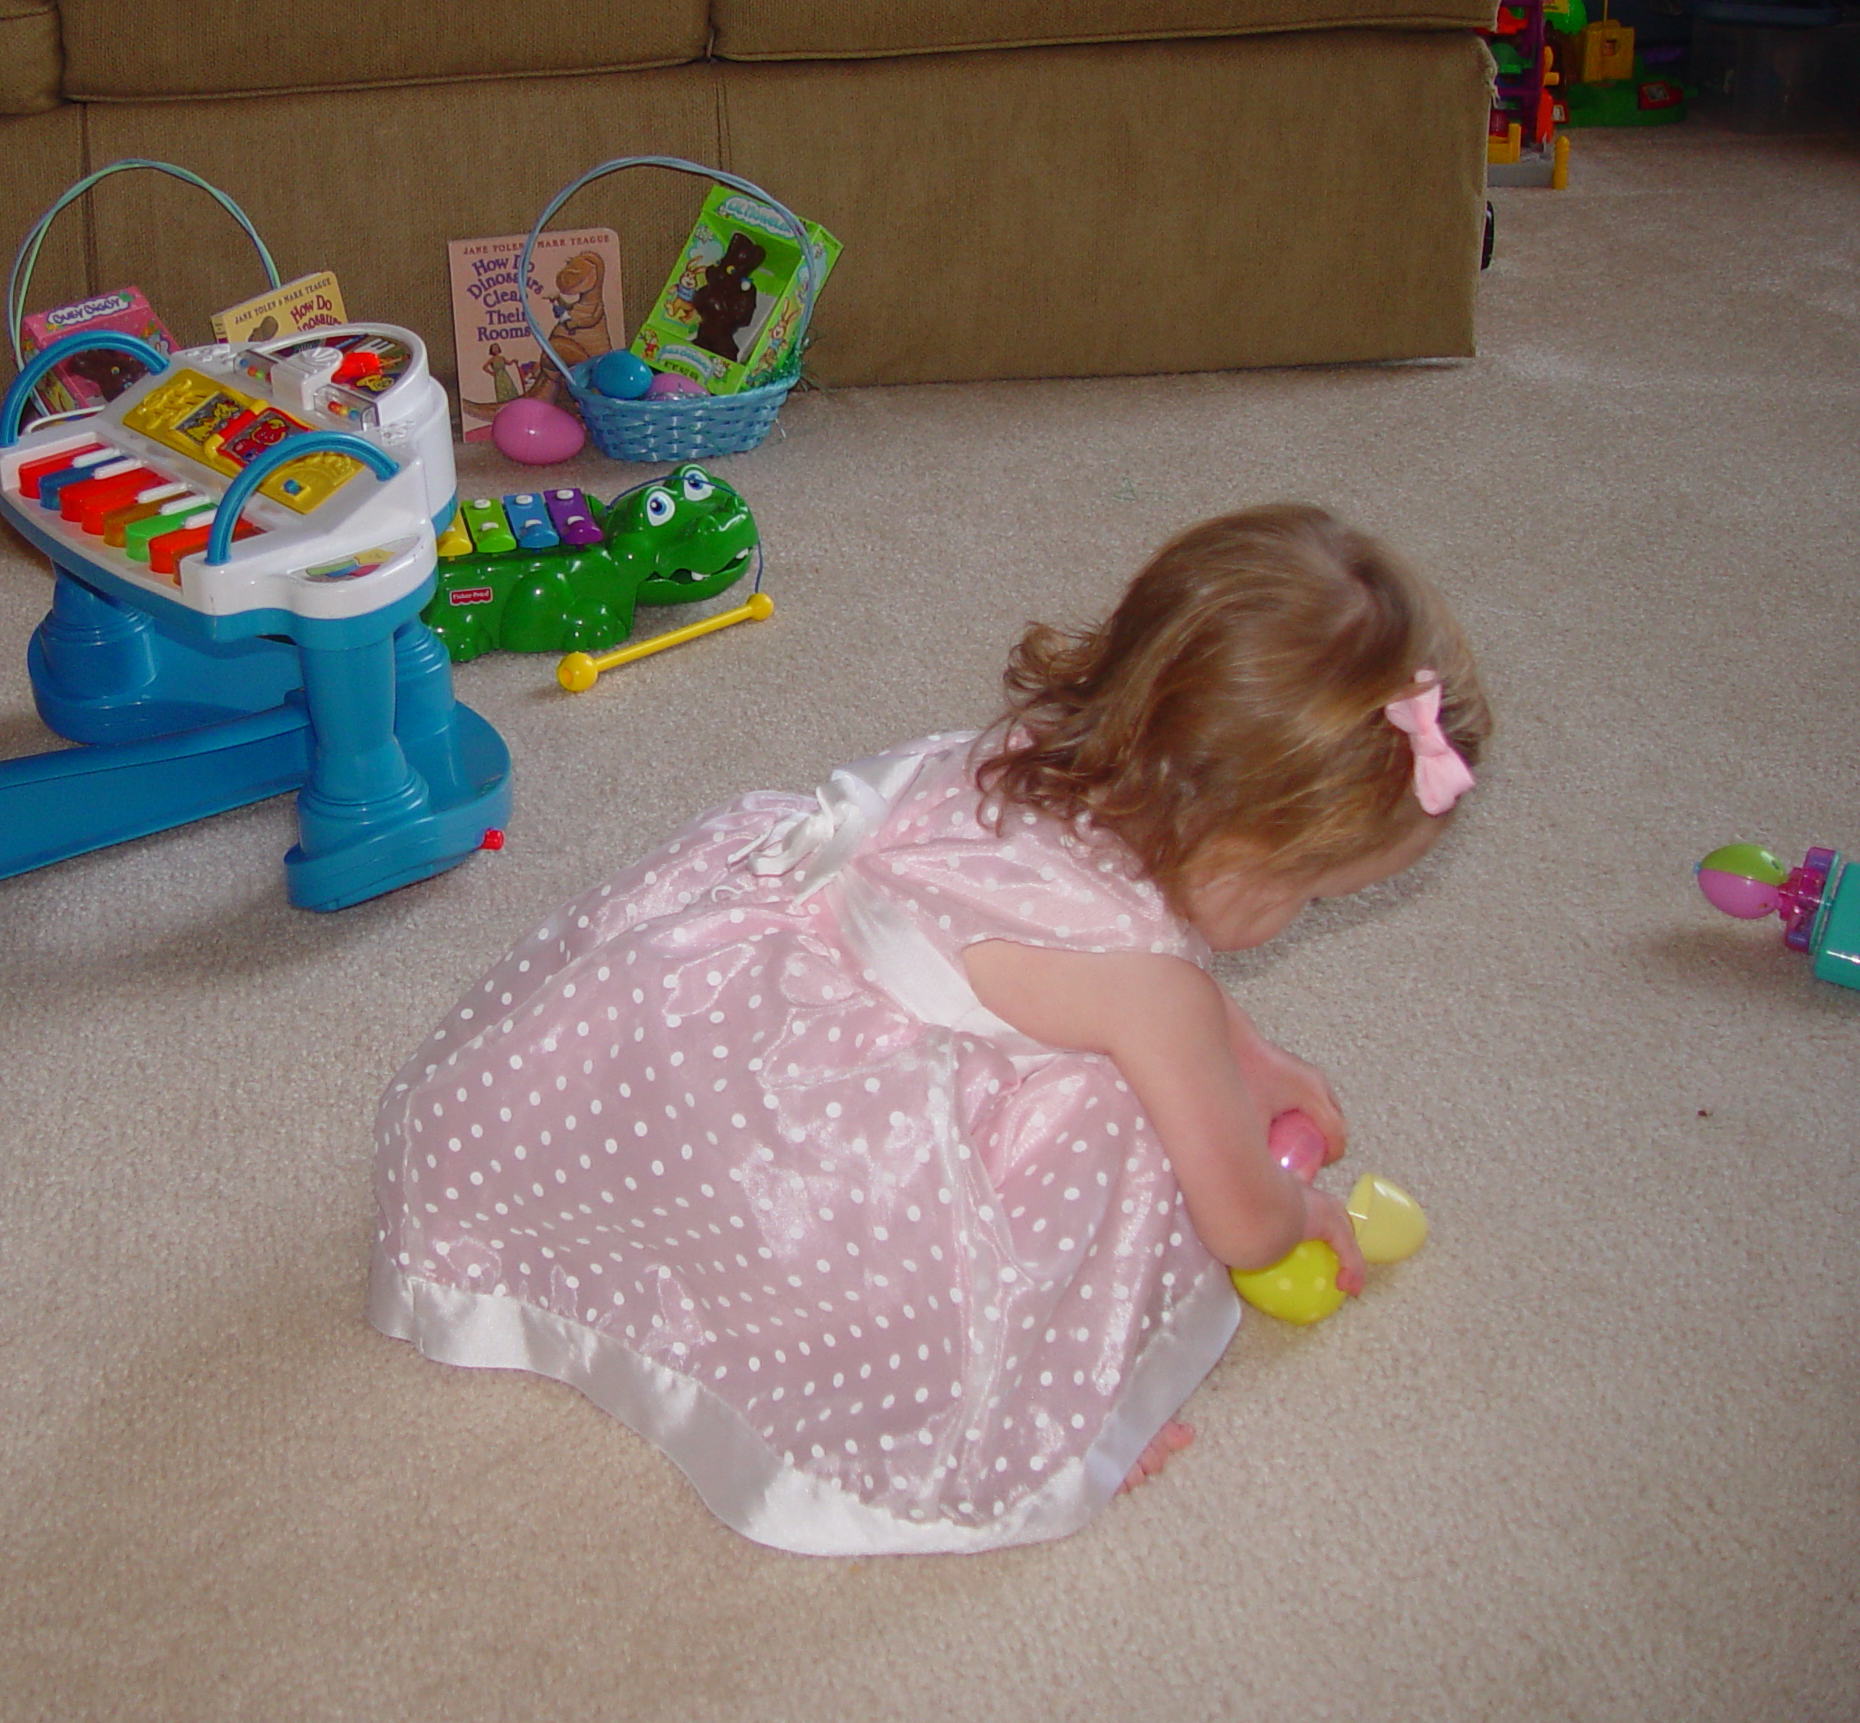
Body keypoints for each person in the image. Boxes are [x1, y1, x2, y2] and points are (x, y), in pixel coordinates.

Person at [368, 505, 1489, 1555]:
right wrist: (1301, 1207)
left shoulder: (1040, 761)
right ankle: (1052, 1413)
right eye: (1308, 892)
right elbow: (1242, 1222)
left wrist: (1255, 1060)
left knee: (1136, 1074)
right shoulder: (1156, 997)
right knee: (1113, 1142)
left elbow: (1139, 983)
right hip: (847, 1179)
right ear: (1234, 848)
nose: (1298, 917)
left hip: (717, 1034)